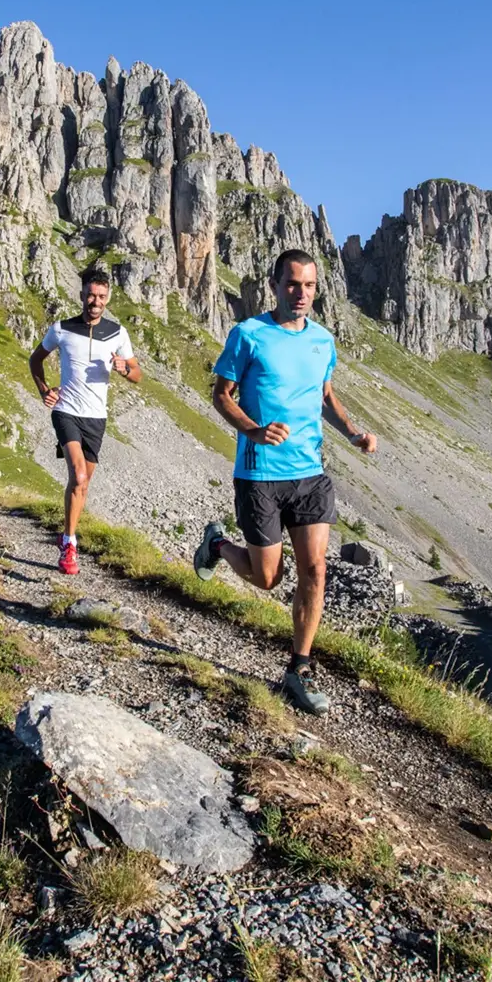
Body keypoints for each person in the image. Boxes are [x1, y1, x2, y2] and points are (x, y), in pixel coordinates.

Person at [193, 249, 377, 715]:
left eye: (310, 285)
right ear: (274, 285)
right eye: (293, 284)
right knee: (268, 578)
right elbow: (220, 394)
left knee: (316, 570)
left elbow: (325, 394)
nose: (301, 294)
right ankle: (216, 547)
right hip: (260, 475)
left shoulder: (323, 340)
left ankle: (298, 668)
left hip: (310, 475)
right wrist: (253, 429)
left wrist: (352, 431)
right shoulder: (249, 334)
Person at [29, 267, 142, 575]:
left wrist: (123, 369)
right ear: (81, 295)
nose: (95, 301)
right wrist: (44, 390)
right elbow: (35, 359)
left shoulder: (118, 333)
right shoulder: (62, 329)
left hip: (97, 418)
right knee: (78, 476)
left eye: (102, 297)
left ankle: (68, 532)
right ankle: (69, 544)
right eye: (91, 295)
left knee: (82, 483)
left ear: (107, 299)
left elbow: (137, 374)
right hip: (66, 411)